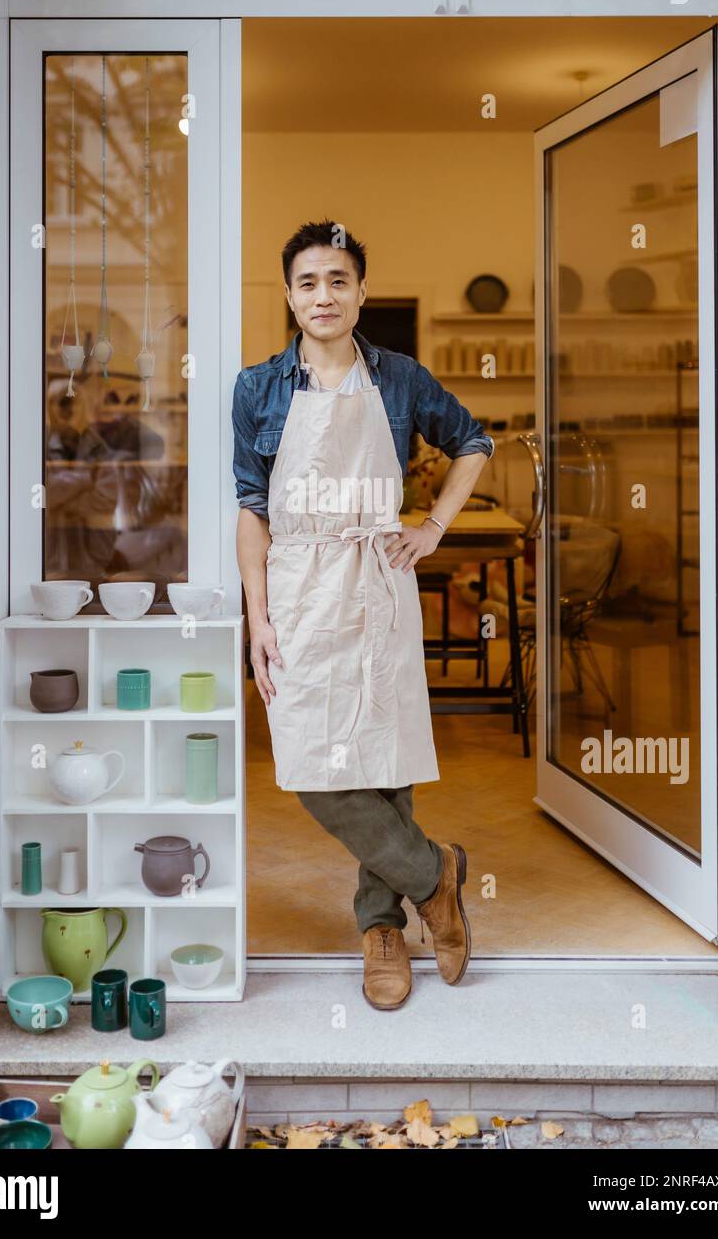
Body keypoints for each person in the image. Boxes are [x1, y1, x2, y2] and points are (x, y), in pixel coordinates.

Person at [232, 218, 494, 1009]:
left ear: (360, 292)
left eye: (338, 280)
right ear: (288, 295)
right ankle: (435, 875)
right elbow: (251, 507)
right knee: (313, 763)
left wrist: (434, 527)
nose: (323, 295)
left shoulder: (402, 379)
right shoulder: (259, 387)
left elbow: (476, 441)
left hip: (377, 574)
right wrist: (259, 617)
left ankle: (380, 930)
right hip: (299, 587)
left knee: (381, 753)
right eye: (308, 282)